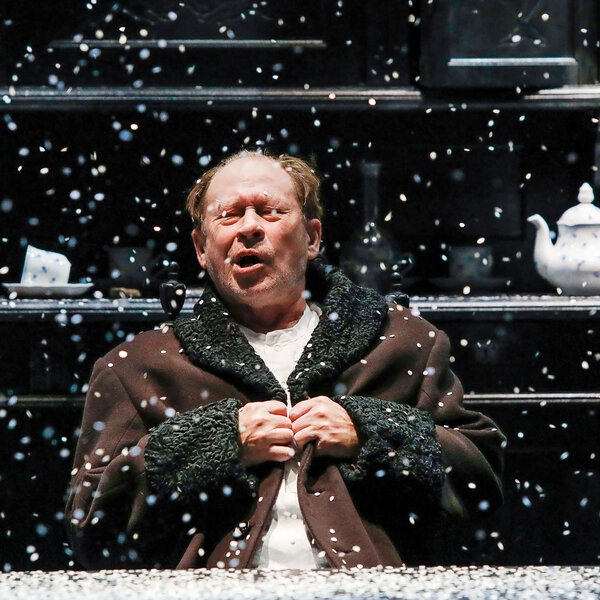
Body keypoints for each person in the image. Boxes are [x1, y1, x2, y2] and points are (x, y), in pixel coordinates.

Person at [66, 150, 505, 570]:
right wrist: (215, 444)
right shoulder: (137, 366)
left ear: (312, 237)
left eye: (270, 211)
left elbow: (482, 488)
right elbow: (90, 533)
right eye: (229, 214)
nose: (249, 227)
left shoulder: (402, 343)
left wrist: (370, 433)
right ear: (201, 248)